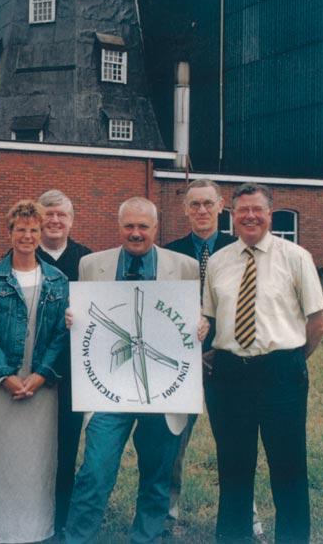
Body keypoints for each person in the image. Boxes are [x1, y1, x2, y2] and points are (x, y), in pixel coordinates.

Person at [65, 196, 208, 544]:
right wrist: (74, 319)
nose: (135, 233)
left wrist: (202, 323)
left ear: (156, 228)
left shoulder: (186, 266)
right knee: (95, 472)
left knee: (157, 476)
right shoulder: (91, 265)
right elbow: (85, 320)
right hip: (108, 390)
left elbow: (197, 313)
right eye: (129, 225)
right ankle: (77, 538)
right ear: (119, 227)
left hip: (162, 390)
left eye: (143, 226)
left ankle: (146, 537)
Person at [203, 183, 323, 543]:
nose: (250, 216)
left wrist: (288, 361)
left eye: (257, 209)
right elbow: (210, 318)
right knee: (233, 468)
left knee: (288, 468)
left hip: (281, 374)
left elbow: (318, 323)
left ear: (270, 214)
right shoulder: (218, 262)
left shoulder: (296, 257)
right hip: (229, 377)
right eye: (243, 210)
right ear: (232, 216)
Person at [0, 200, 69, 543]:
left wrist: (42, 374)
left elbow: (61, 333)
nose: (27, 236)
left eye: (33, 230)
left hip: (42, 385)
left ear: (41, 234)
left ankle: (36, 530)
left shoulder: (58, 280)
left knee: (36, 463)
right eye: (21, 229)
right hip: (3, 384)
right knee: (1, 461)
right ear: (10, 232)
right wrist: (4, 374)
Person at [165, 180, 237, 534]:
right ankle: (169, 511)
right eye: (195, 204)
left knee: (234, 441)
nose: (202, 211)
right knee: (173, 440)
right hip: (181, 363)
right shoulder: (170, 253)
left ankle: (243, 511)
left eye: (208, 203)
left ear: (221, 205)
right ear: (185, 208)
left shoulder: (239, 249)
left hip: (226, 361)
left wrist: (215, 347)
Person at [36, 189, 92, 536]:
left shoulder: (87, 261)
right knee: (33, 444)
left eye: (62, 215)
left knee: (68, 445)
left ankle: (62, 516)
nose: (55, 221)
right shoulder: (24, 256)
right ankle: (32, 511)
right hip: (32, 366)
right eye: (48, 214)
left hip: (74, 370)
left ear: (71, 220)